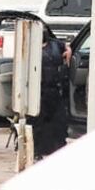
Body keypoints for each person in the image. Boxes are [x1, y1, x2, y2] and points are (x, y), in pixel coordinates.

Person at [30, 23, 72, 160]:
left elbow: (66, 47)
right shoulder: (29, 48)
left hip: (54, 89)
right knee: (38, 124)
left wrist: (68, 51)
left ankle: (59, 150)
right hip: (37, 92)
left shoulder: (55, 45)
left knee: (59, 122)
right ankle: (36, 152)